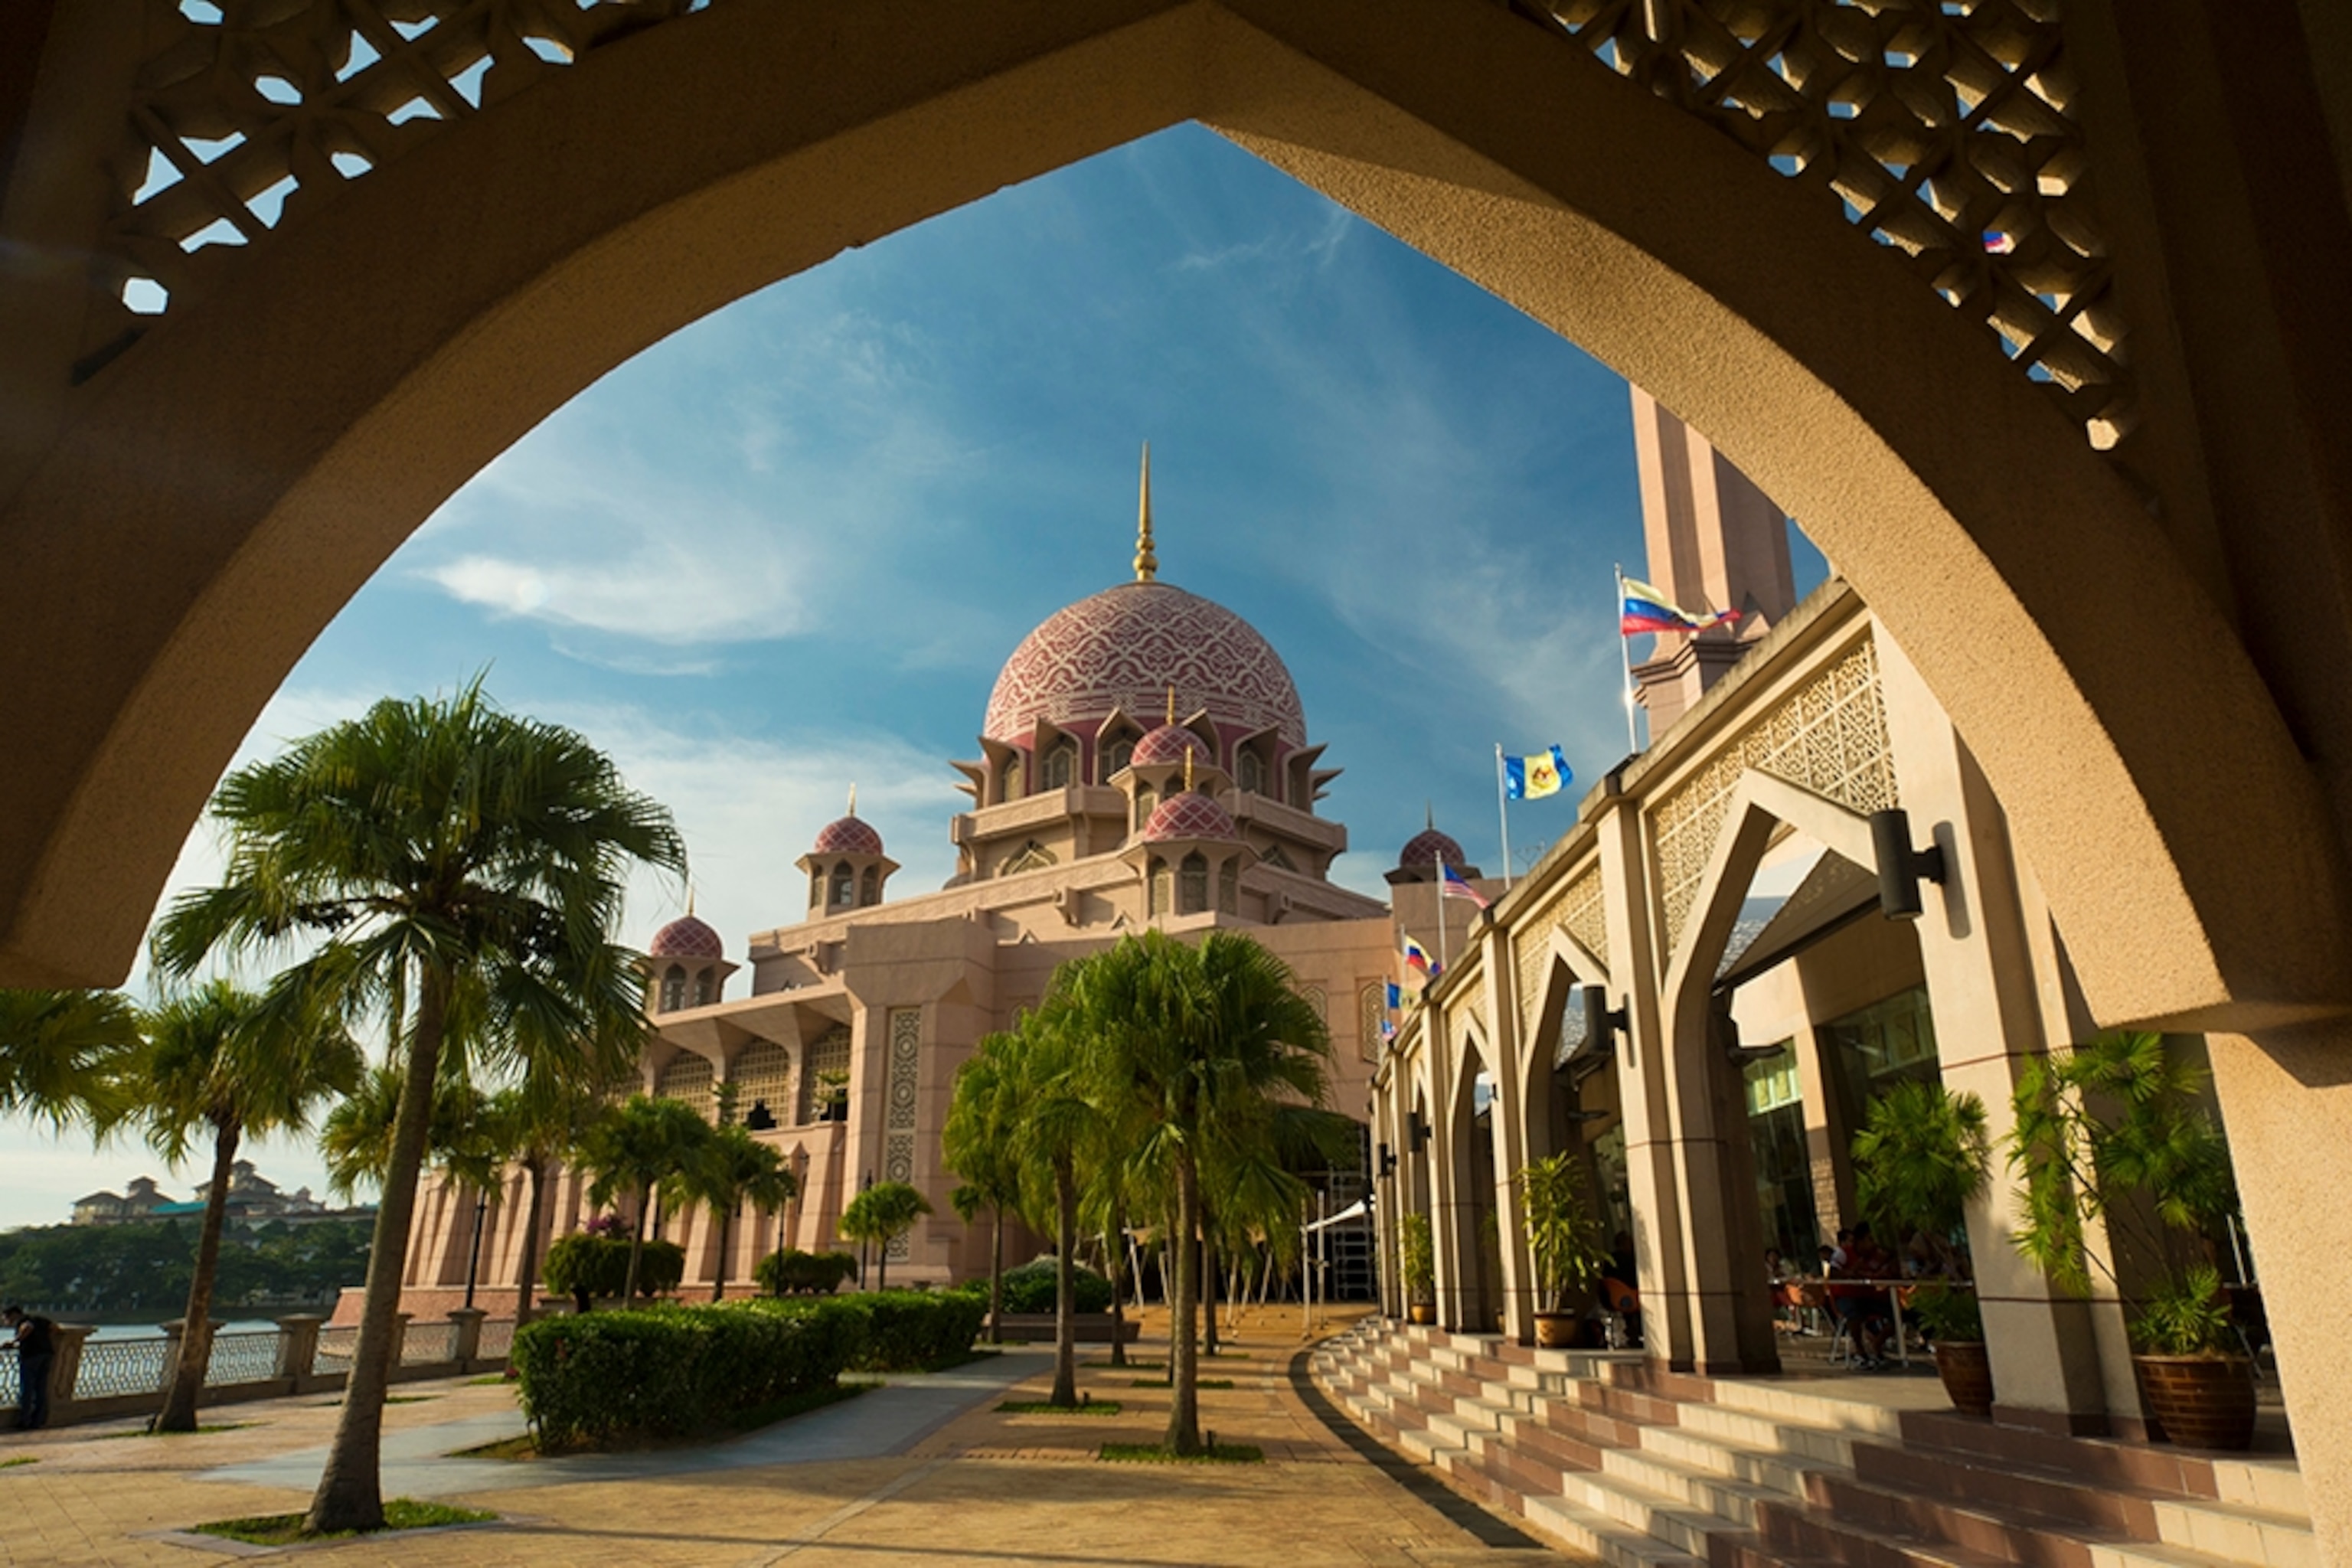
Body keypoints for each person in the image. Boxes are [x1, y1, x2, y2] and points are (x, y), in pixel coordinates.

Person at [4, 1304, 56, 1429]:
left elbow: (27, 1328)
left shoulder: (24, 1322)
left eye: (6, 1318)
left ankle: (24, 1421)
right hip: (46, 1354)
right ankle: (38, 1420)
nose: (5, 1321)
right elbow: (55, 1328)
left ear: (14, 1315)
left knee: (27, 1389)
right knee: (40, 1389)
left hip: (31, 1356)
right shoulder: (40, 1319)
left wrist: (15, 1341)